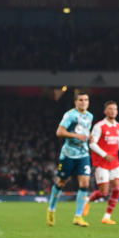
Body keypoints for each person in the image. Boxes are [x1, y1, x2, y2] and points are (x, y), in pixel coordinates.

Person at [46, 90, 94, 227]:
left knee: (85, 184)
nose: (84, 102)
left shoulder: (90, 116)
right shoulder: (70, 115)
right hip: (68, 155)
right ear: (75, 102)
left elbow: (84, 130)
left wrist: (89, 136)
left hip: (83, 154)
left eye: (86, 100)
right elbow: (59, 132)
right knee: (61, 182)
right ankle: (51, 209)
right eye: (81, 100)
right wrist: (76, 136)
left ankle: (78, 216)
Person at [83, 100, 119, 224]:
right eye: (110, 109)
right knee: (104, 192)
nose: (113, 111)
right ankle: (87, 200)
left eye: (115, 109)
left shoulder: (118, 126)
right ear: (105, 111)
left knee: (117, 189)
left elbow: (118, 143)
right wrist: (105, 155)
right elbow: (92, 144)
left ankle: (106, 217)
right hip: (101, 162)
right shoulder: (99, 126)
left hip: (114, 162)